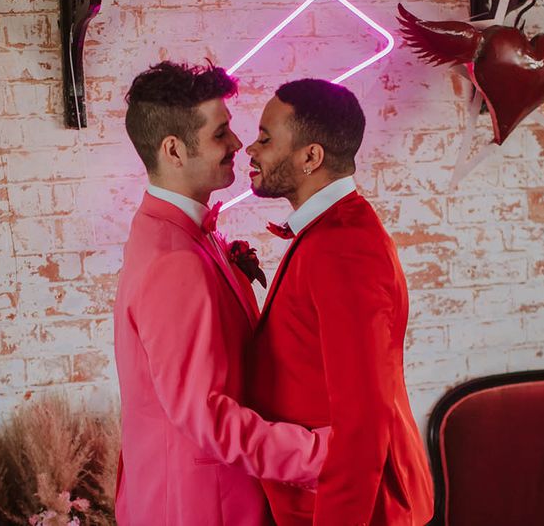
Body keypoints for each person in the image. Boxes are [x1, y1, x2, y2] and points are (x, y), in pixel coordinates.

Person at [113, 62, 328, 526]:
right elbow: (205, 414)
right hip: (202, 505)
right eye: (220, 134)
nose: (237, 145)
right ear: (173, 149)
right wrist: (318, 455)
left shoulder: (175, 232)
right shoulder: (174, 262)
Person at [245, 78, 434, 526]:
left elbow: (363, 419)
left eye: (266, 139)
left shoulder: (345, 246)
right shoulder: (330, 231)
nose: (250, 149)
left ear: (311, 157)